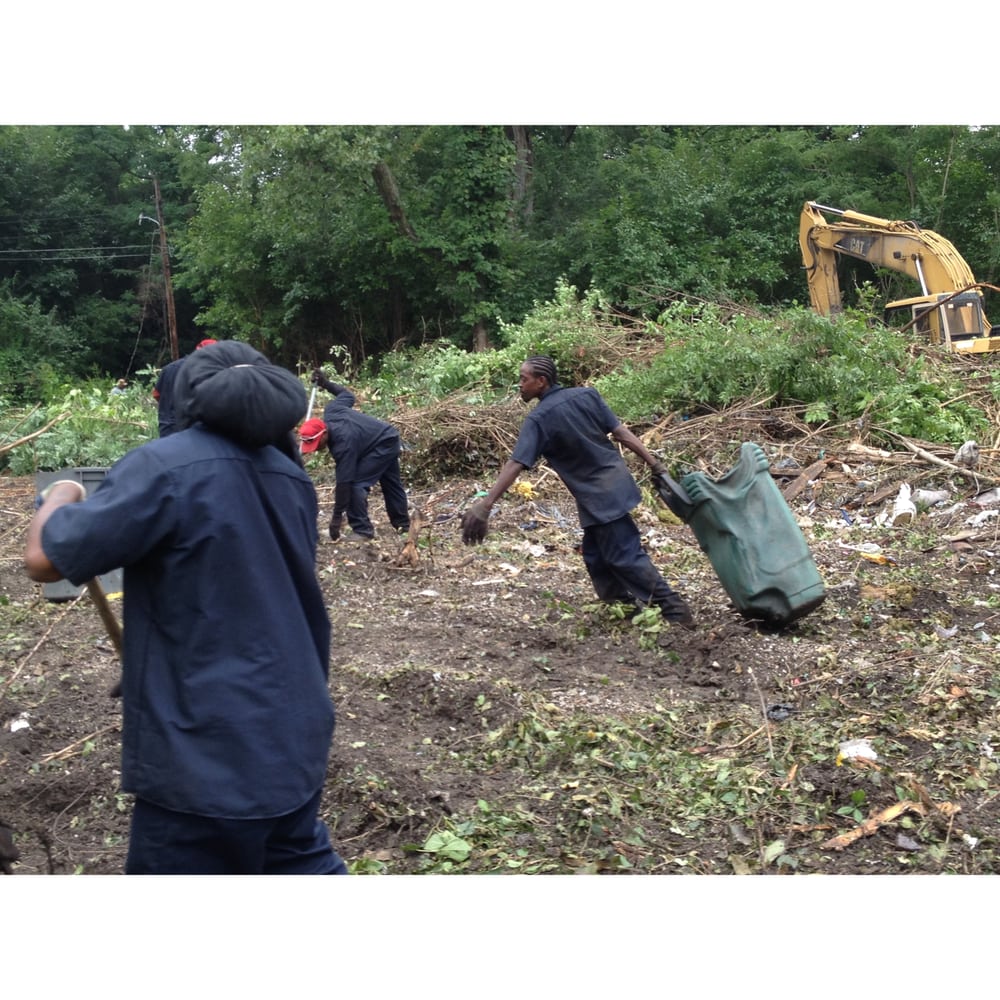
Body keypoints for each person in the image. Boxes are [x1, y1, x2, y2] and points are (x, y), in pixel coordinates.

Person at [24, 340, 348, 875]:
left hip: (208, 755)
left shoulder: (164, 466)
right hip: (293, 734)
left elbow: (43, 560)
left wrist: (59, 493)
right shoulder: (290, 474)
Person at [461, 355, 694, 626]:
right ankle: (623, 610)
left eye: (524, 379)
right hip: (613, 483)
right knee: (596, 556)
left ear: (541, 381)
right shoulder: (587, 396)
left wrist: (486, 505)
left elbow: (516, 463)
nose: (519, 385)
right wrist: (655, 464)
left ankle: (675, 611)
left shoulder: (539, 419)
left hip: (599, 494)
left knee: (624, 556)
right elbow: (621, 433)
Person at [305, 368, 410, 542]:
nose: (315, 449)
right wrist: (326, 384)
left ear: (323, 434)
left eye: (316, 444)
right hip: (387, 436)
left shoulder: (342, 445)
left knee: (356, 485)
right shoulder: (332, 410)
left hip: (383, 444)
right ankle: (403, 526)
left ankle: (362, 530)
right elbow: (347, 396)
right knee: (391, 483)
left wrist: (336, 518)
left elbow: (344, 483)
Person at [152, 338, 218, 436]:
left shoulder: (169, 368)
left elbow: (156, 394)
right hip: (188, 428)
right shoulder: (205, 371)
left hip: (167, 427)